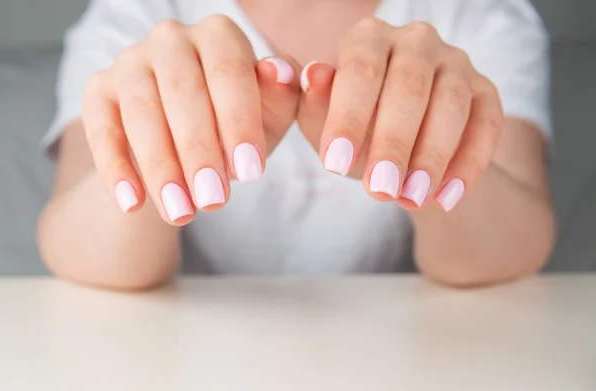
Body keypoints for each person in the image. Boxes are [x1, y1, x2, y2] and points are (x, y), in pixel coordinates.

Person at [37, 0, 556, 290]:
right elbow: (76, 251)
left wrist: (429, 158)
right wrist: (154, 167)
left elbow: (513, 251)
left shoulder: (476, 16)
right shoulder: (132, 18)